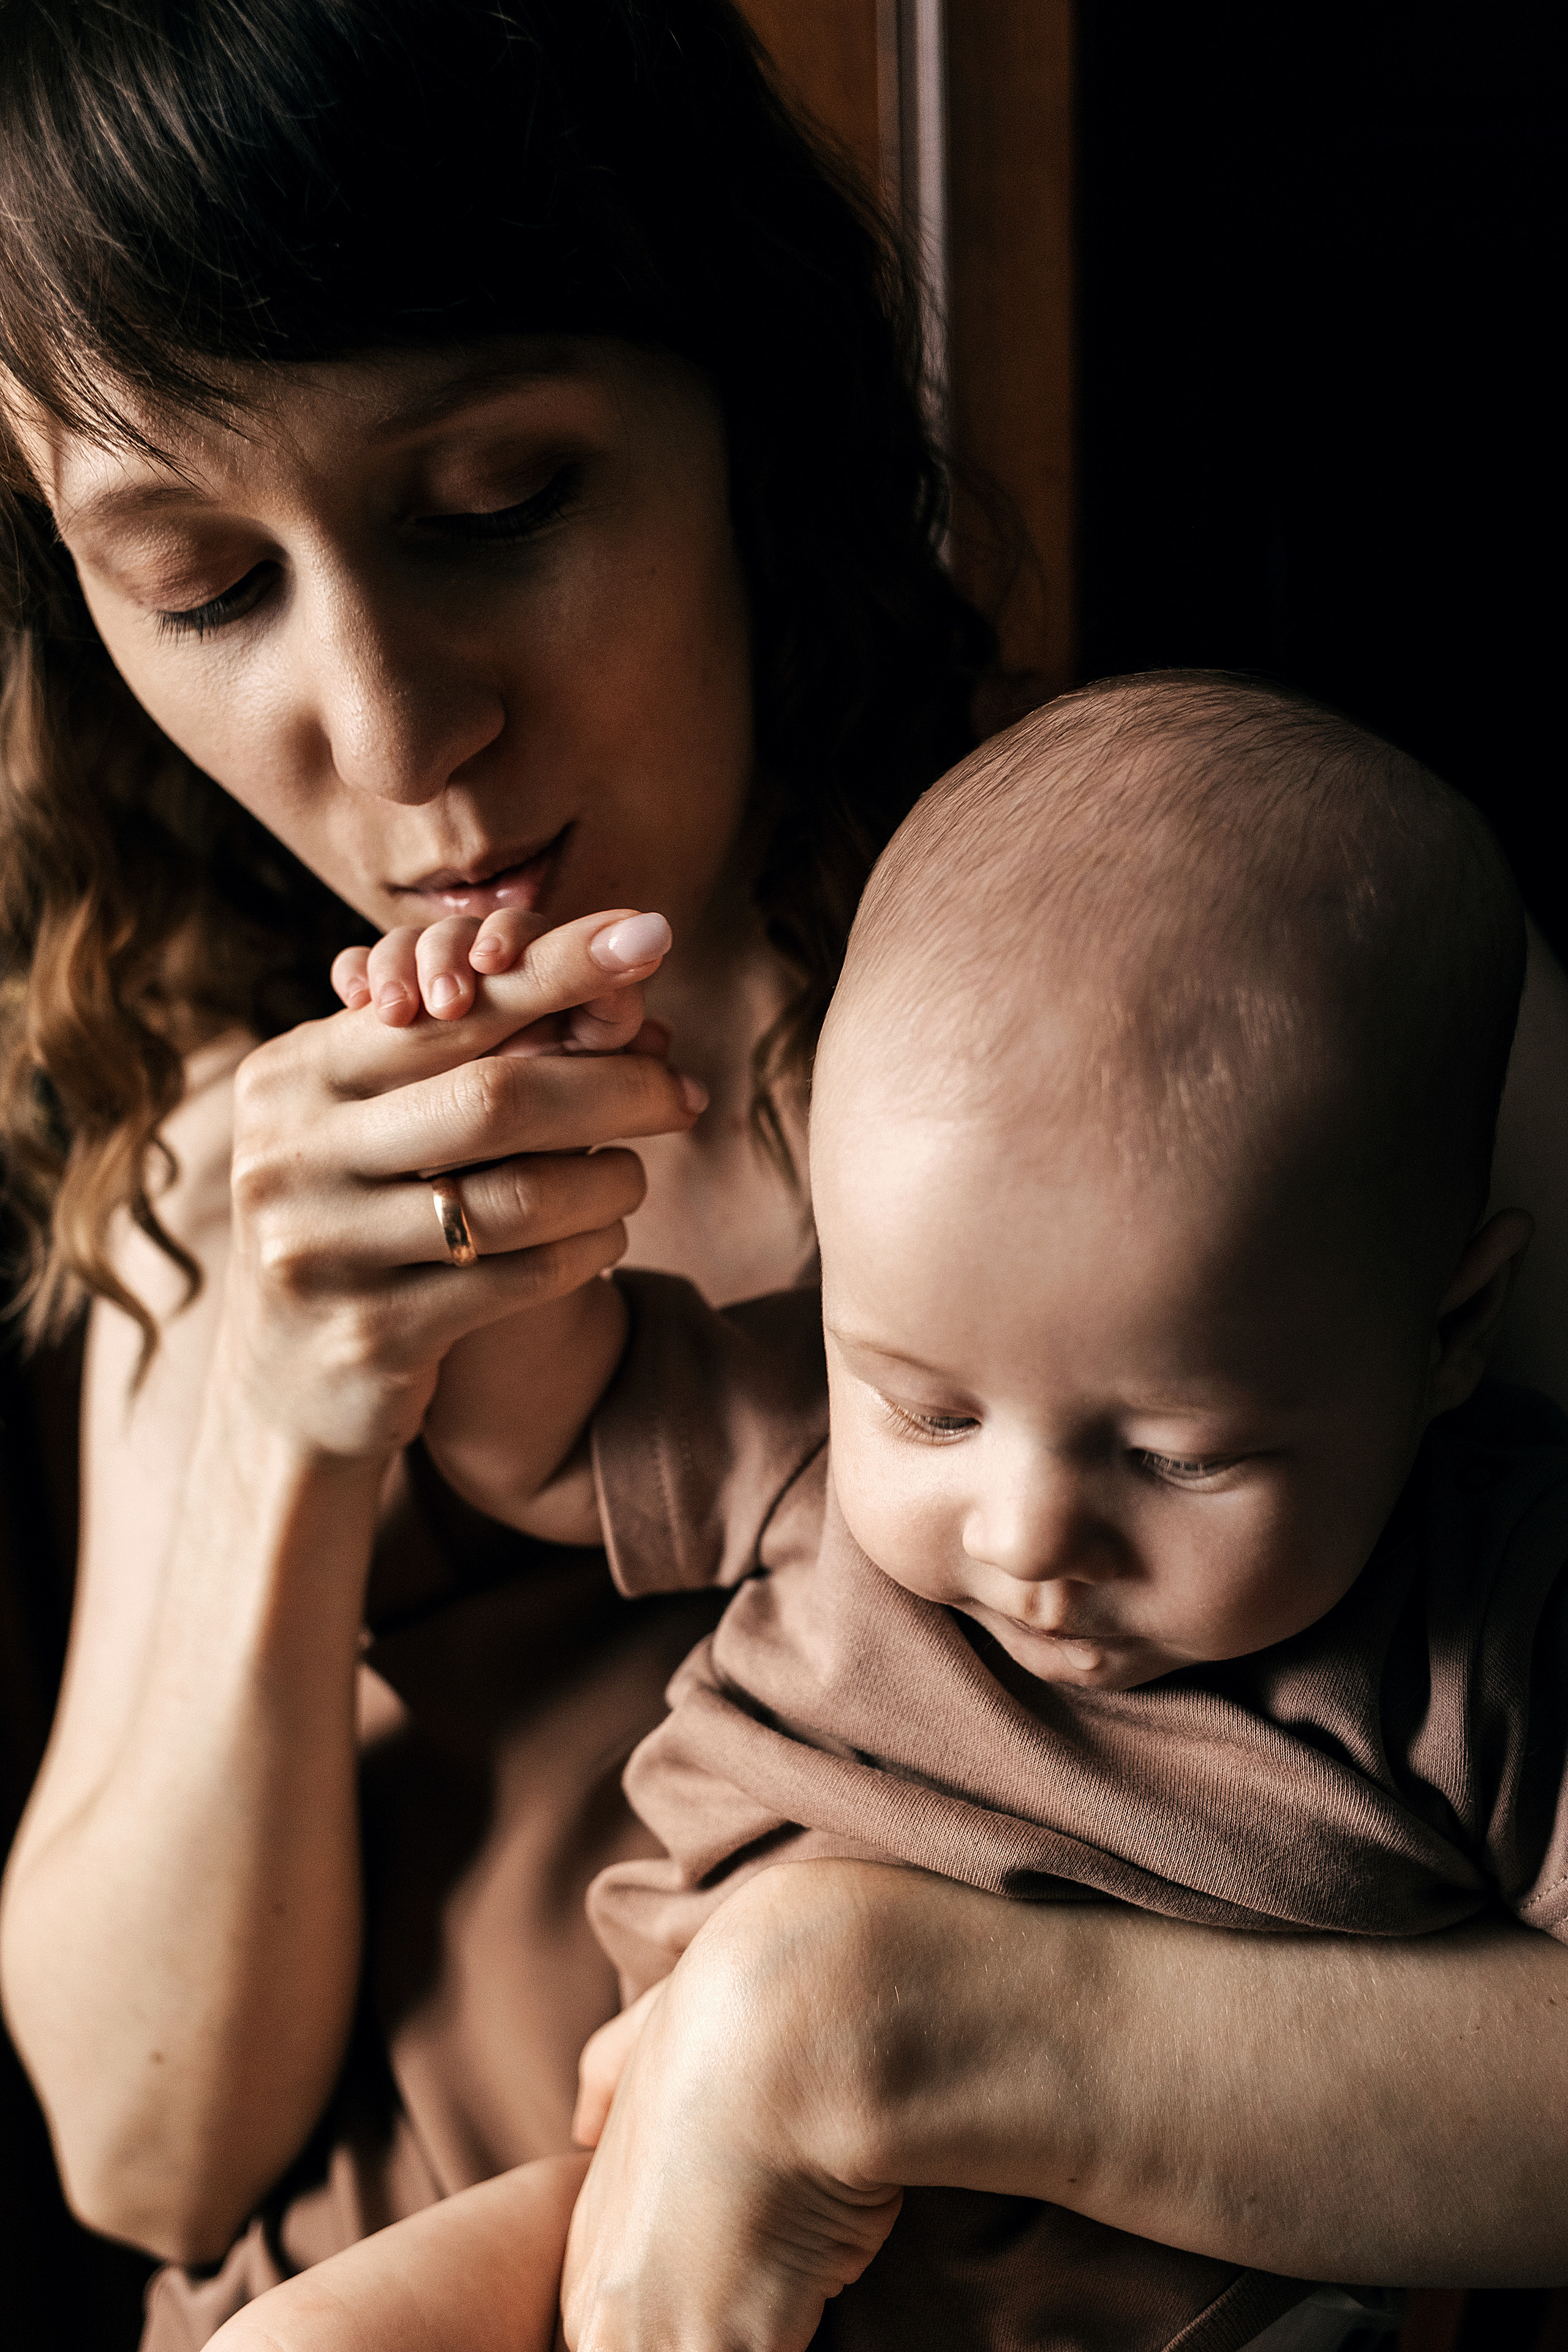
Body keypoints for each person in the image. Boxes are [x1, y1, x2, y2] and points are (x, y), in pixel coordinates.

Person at [0, 3, 1561, 2346]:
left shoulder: (1283, 1026)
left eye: (497, 503)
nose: (398, 730)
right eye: (204, 585)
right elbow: (150, 2154)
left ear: (745, 407)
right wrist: (293, 1417)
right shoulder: (229, 1144)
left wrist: (865, 2033)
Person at [211, 675, 1562, 2352]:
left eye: (1177, 1457)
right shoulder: (816, 1430)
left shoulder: (1496, 1604)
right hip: (644, 2195)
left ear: (1446, 1334)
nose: (1023, 1533)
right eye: (932, 1410)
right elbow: (537, 1442)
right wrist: (484, 1108)